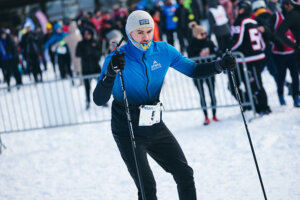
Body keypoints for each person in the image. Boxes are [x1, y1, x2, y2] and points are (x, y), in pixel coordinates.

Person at [93, 10, 236, 200]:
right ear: (129, 33)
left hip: (153, 124)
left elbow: (193, 70)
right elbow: (99, 99)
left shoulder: (164, 51)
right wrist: (111, 73)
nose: (145, 37)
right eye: (140, 32)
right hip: (127, 129)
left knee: (185, 174)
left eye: (149, 31)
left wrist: (220, 65)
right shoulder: (116, 58)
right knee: (147, 188)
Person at [230, 0, 272, 115]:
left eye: (237, 8)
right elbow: (261, 41)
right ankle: (254, 105)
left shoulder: (241, 21)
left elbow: (237, 40)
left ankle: (263, 107)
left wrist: (227, 50)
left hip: (249, 59)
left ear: (242, 9)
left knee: (255, 84)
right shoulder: (253, 20)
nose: (235, 10)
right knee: (251, 83)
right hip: (254, 57)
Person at [187, 21, 222, 125]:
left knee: (212, 93)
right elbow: (189, 58)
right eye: (201, 34)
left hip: (209, 71)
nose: (204, 35)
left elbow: (217, 52)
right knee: (202, 95)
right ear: (196, 35)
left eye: (205, 33)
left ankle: (214, 114)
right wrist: (199, 55)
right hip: (197, 73)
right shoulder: (191, 45)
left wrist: (214, 55)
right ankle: (206, 116)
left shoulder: (209, 42)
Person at [270, 0, 300, 107]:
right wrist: (277, 42)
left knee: (295, 76)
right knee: (281, 76)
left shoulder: (295, 15)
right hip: (279, 53)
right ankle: (281, 96)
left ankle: (296, 97)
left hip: (292, 52)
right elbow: (271, 32)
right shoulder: (276, 16)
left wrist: (294, 46)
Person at [76, 28, 102, 110]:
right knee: (87, 87)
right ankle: (88, 101)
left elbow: (100, 53)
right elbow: (77, 54)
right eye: (85, 34)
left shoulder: (95, 42)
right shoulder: (81, 43)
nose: (87, 36)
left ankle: (102, 100)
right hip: (86, 69)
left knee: (100, 86)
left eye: (88, 34)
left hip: (96, 68)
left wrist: (92, 51)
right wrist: (85, 51)